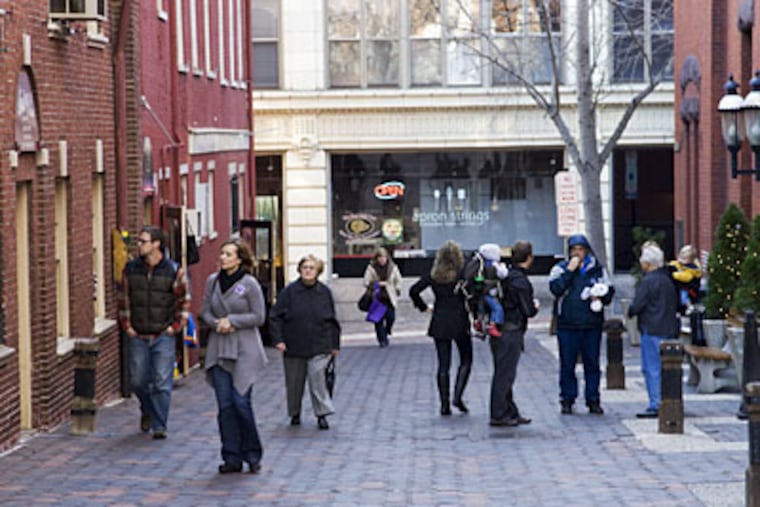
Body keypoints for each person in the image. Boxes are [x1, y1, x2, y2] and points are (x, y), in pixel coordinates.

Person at [200, 239, 267, 474]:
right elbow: (205, 311)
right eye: (222, 253)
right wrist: (217, 324)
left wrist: (234, 322)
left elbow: (259, 316)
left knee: (241, 403)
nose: (223, 257)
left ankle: (253, 453)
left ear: (240, 258)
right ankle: (231, 457)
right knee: (225, 406)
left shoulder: (249, 284)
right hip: (219, 348)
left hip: (244, 349)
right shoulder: (212, 281)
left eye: (229, 254)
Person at [119, 226, 190, 439]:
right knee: (138, 380)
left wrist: (174, 328)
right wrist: (128, 327)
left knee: (162, 382)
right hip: (138, 334)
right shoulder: (131, 269)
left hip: (162, 335)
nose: (139, 245)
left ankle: (160, 425)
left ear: (156, 244)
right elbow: (124, 300)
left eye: (143, 241)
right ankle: (148, 409)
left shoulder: (173, 270)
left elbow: (184, 302)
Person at [270, 255, 341, 430]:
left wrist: (335, 344)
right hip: (294, 343)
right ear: (300, 270)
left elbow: (332, 320)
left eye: (312, 268)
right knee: (294, 382)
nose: (308, 270)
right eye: (305, 267)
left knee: (318, 378)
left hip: (319, 343)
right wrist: (278, 340)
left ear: (318, 271)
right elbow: (275, 317)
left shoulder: (324, 292)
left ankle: (322, 414)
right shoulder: (289, 292)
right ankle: (294, 412)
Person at [549, 233, 614, 415]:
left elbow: (609, 294)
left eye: (581, 249)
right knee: (567, 364)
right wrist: (570, 271)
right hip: (567, 324)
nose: (578, 253)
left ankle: (593, 399)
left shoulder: (597, 269)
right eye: (574, 250)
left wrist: (600, 294)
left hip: (591, 324)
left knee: (592, 363)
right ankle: (567, 399)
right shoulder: (560, 268)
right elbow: (555, 289)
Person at [409, 241, 472, 416]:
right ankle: (457, 396)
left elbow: (414, 290)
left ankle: (444, 404)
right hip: (459, 318)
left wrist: (423, 307)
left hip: (440, 319)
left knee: (443, 364)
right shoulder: (462, 273)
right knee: (466, 359)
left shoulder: (434, 274)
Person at [489, 241, 539, 426]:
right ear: (529, 257)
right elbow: (528, 310)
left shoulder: (505, 275)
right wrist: (534, 307)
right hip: (511, 331)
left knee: (503, 371)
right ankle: (499, 413)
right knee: (505, 374)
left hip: (499, 329)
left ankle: (509, 410)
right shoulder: (520, 281)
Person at [628, 243, 679, 419]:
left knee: (652, 368)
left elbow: (637, 305)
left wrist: (630, 311)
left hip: (651, 328)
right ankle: (669, 400)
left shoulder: (648, 281)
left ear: (647, 263)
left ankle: (656, 404)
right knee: (667, 368)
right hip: (669, 328)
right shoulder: (667, 280)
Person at [464, 243, 509, 338]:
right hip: (490, 292)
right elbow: (503, 274)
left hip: (480, 292)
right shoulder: (493, 265)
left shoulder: (479, 263)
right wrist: (503, 266)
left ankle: (478, 323)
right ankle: (493, 325)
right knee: (497, 308)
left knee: (481, 308)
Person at [362, 247, 403, 347]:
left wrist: (397, 289)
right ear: (376, 258)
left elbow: (398, 280)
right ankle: (382, 340)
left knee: (391, 318)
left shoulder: (392, 267)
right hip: (377, 298)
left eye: (384, 257)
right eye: (380, 257)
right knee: (378, 320)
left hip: (389, 297)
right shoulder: (371, 268)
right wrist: (378, 284)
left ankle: (388, 330)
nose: (382, 259)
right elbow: (366, 282)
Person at [668, 244, 702, 313]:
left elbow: (686, 277)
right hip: (679, 287)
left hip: (688, 289)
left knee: (684, 295)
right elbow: (672, 264)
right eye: (680, 256)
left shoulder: (692, 269)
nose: (681, 260)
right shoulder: (677, 264)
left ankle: (689, 306)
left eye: (684, 259)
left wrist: (674, 275)